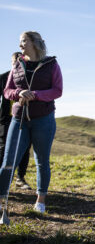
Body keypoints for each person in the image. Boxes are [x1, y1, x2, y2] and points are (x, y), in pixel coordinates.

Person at [0, 31, 63, 213]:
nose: (20, 45)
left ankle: (40, 201)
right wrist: (18, 93)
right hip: (18, 119)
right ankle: (2, 200)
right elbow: (7, 90)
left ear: (34, 43)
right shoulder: (17, 65)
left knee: (41, 161)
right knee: (8, 161)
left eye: (23, 41)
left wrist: (35, 95)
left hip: (43, 119)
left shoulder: (51, 64)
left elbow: (57, 90)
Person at [0, 52, 32, 190]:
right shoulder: (3, 78)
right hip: (6, 120)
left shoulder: (30, 78)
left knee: (24, 148)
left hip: (25, 118)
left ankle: (20, 178)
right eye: (15, 62)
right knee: (3, 149)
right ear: (12, 62)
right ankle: (2, 179)